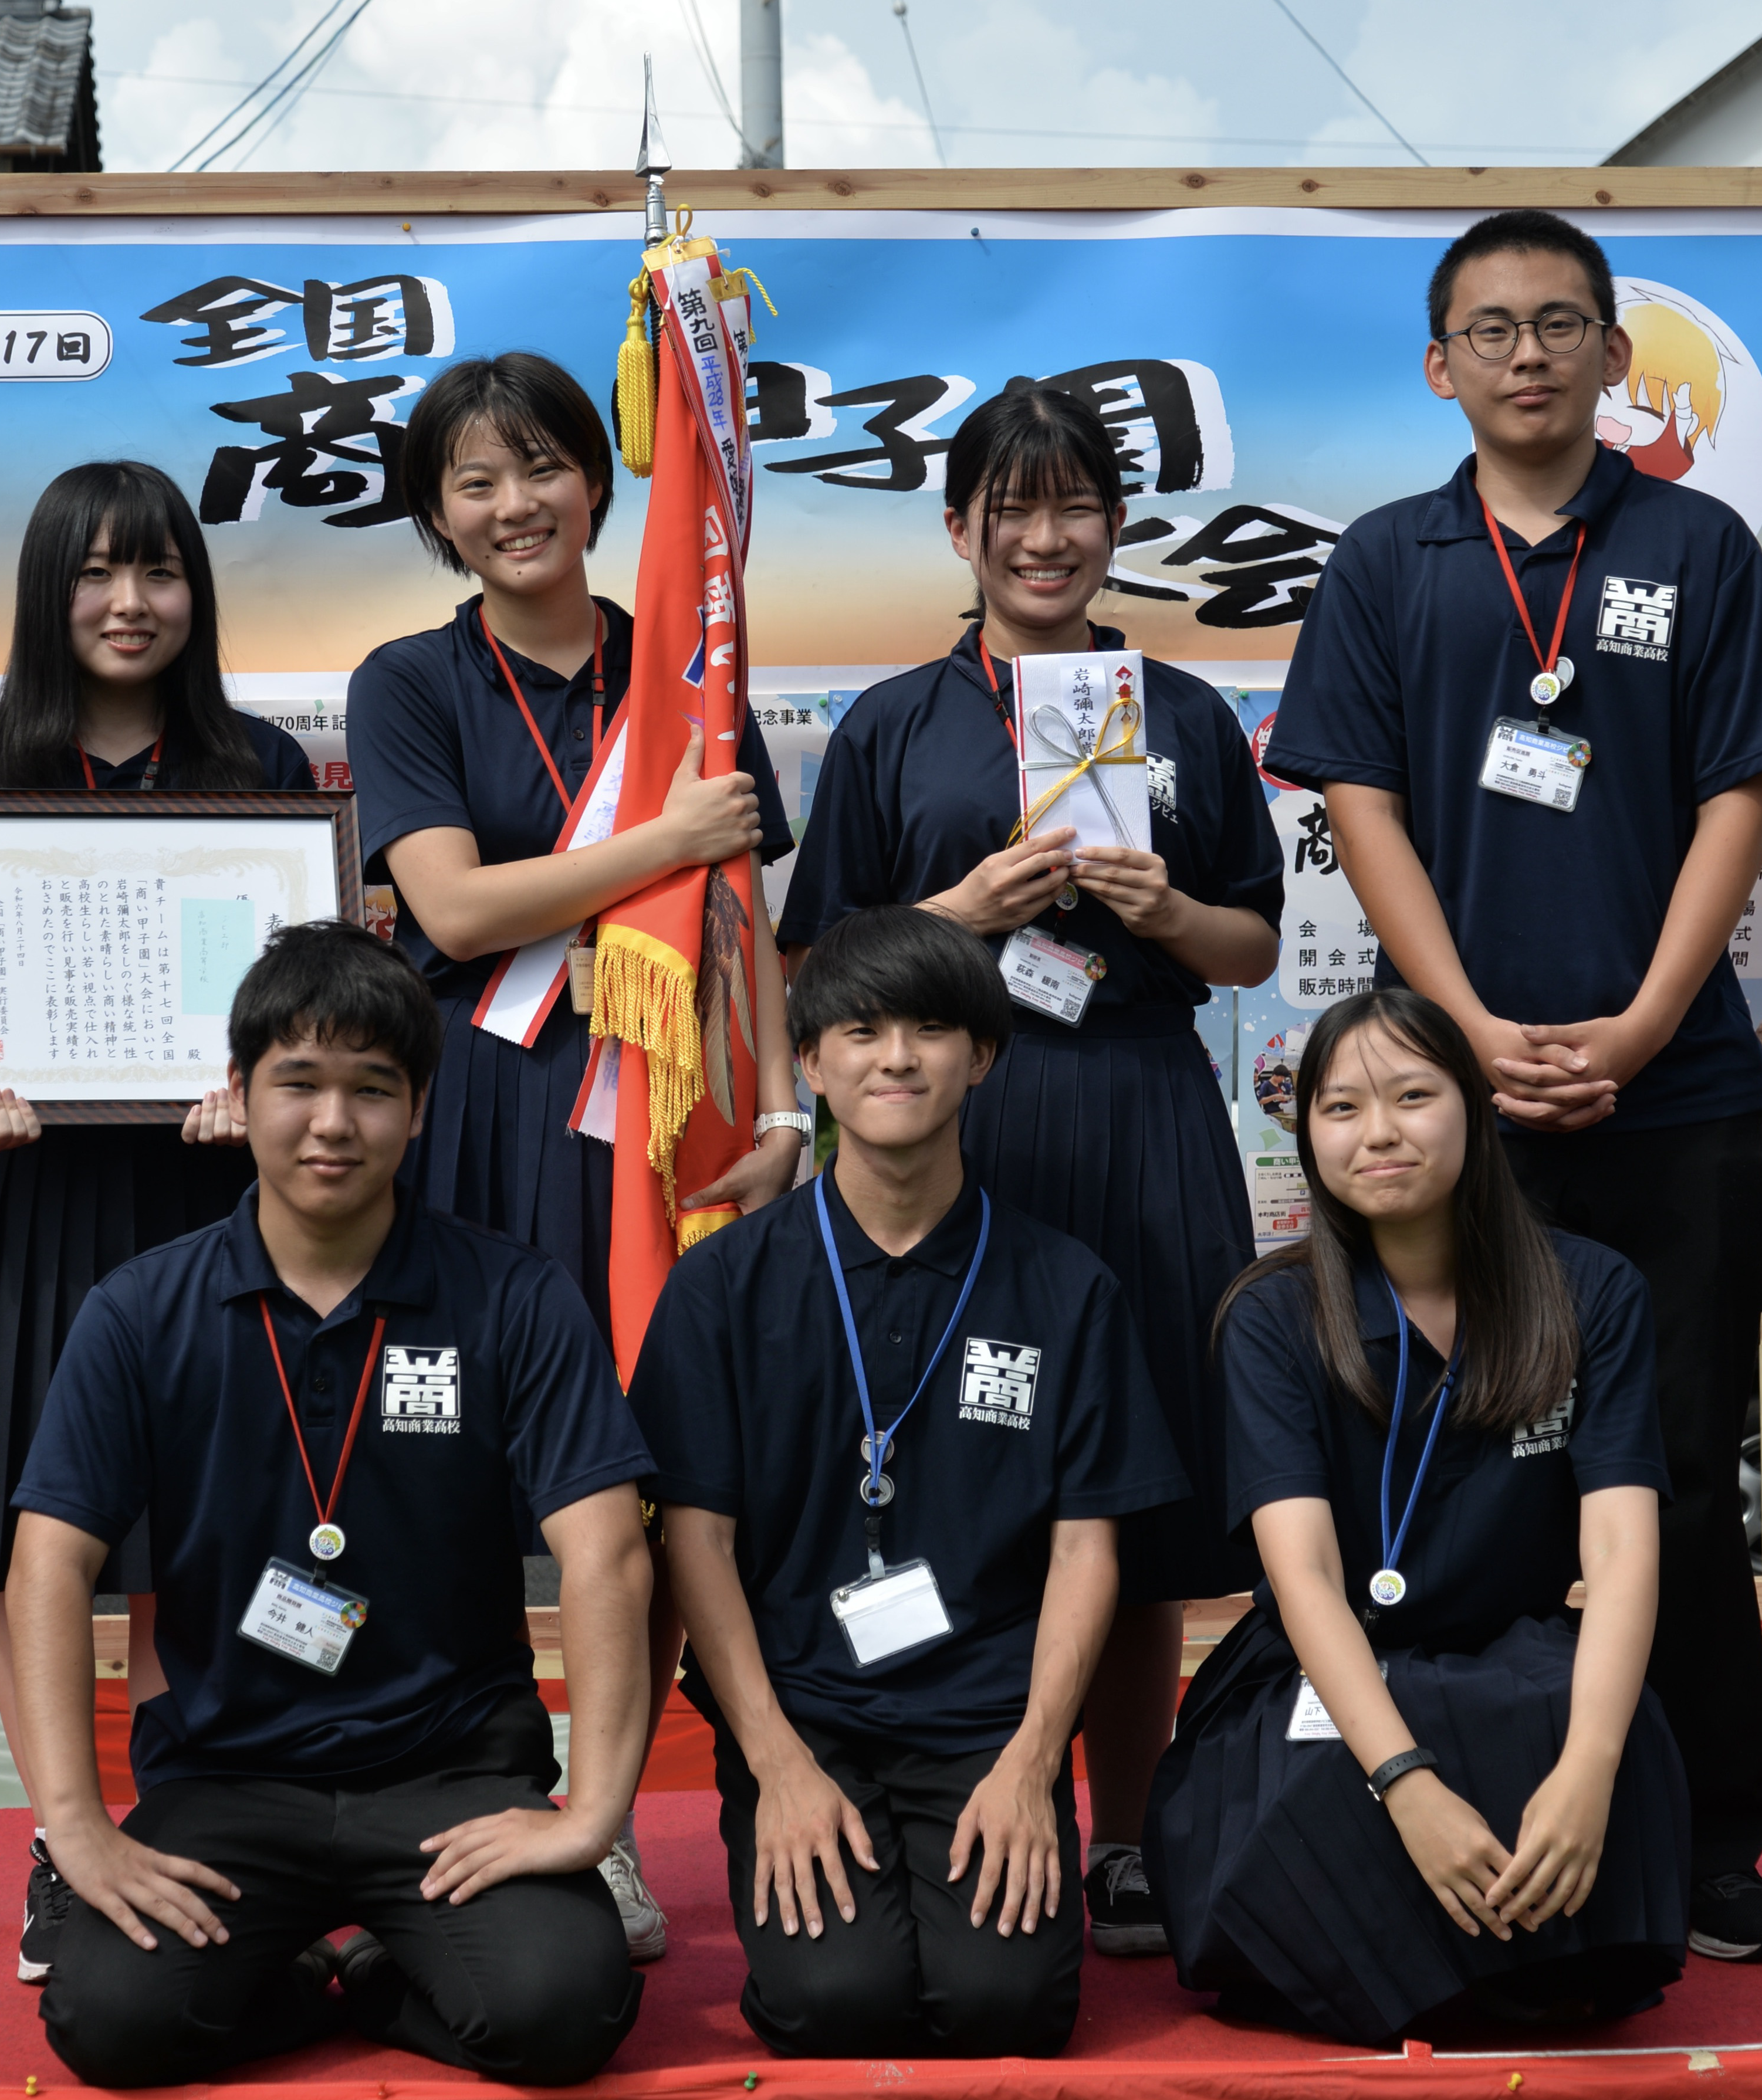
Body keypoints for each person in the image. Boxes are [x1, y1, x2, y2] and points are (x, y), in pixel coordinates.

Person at [1259, 209, 1762, 1962]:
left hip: (1675, 1086)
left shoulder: (1694, 546)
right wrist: (1460, 1033)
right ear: (1440, 365)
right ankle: (1438, 1790)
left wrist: (1642, 1021)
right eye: (1491, 328)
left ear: (1609, 356)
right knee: (1440, 1465)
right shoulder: (1389, 561)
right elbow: (1356, 803)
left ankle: (1704, 1838)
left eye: (1559, 323)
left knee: (1678, 1465)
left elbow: (1739, 793)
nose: (1526, 353)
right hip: (1455, 1105)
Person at [777, 384, 1283, 1956]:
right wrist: (964, 913)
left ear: (1115, 527)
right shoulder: (893, 722)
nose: (1045, 538)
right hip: (948, 1124)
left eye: (1074, 507)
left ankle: (1122, 1835)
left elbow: (1250, 942)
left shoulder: (1182, 713)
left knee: (1136, 1480)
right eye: (1012, 508)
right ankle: (949, 1812)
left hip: (1140, 1107)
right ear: (959, 530)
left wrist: (1161, 910)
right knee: (941, 1466)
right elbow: (815, 967)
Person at [11, 920, 656, 2089]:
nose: (332, 1122)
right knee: (108, 2020)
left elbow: (606, 1553)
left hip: (452, 1778)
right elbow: (48, 1563)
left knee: (562, 2010)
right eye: (298, 1082)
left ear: (418, 1108)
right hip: (223, 1781)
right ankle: (311, 1981)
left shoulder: (514, 1296)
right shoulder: (140, 1310)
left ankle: (372, 1977)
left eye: (371, 1088)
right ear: (239, 1089)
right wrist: (81, 1826)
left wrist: (593, 1814)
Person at [346, 351, 807, 1959]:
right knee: (454, 1474)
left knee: (651, 1482)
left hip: (662, 1121)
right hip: (480, 1109)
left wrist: (786, 1116)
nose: (513, 504)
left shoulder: (684, 664)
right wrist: (658, 840)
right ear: (437, 517)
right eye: (473, 483)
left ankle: (599, 1816)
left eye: (540, 466)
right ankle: (460, 1793)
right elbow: (454, 909)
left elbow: (743, 917)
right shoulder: (409, 682)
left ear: (601, 483)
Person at [0, 459, 320, 1982]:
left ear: (197, 592)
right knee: (27, 1534)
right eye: (97, 572)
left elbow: (305, 1001)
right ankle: (64, 1839)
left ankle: (188, 1819)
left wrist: (260, 1084)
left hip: (205, 1203)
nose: (129, 601)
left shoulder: (260, 766)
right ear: (49, 594)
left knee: (198, 1536)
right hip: (18, 1203)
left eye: (159, 570)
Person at [627, 907, 1189, 2058]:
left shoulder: (1066, 1286)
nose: (897, 1057)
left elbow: (1087, 1548)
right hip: (799, 1710)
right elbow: (697, 1541)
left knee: (1006, 2006)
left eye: (931, 1029)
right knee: (832, 2002)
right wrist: (775, 1763)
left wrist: (1035, 1762)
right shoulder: (722, 1285)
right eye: (862, 1030)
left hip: (987, 1715)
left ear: (981, 1057)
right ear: (810, 1061)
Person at [1147, 988, 1687, 2040]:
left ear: (1475, 1111)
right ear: (1307, 1135)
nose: (1379, 1133)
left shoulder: (1590, 1290)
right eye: (1341, 1108)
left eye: (1411, 1096)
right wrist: (1404, 1785)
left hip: (1514, 1653)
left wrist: (1590, 1769)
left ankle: (1476, 1961)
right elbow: (1303, 1578)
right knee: (1315, 1795)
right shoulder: (1270, 1313)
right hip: (1323, 1670)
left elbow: (1622, 1547)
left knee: (1577, 1727)